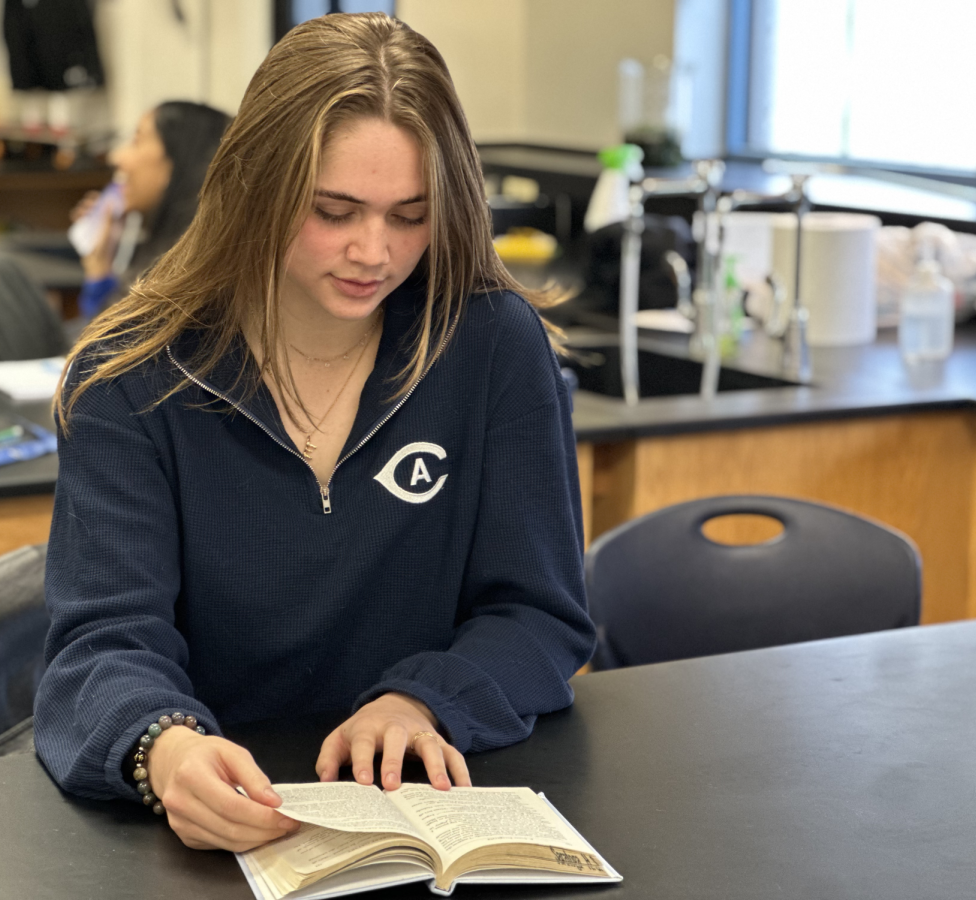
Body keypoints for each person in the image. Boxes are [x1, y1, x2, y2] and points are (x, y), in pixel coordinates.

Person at [34, 12, 595, 853]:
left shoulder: (492, 345)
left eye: (410, 216)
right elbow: (101, 642)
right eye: (333, 211)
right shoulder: (130, 377)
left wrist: (425, 700)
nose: (373, 251)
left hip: (418, 817)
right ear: (255, 187)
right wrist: (163, 746)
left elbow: (539, 613)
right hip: (216, 829)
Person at [0, 100, 231, 362]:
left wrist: (99, 273)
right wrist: (100, 261)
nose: (118, 157)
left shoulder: (191, 270)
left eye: (136, 141)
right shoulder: (160, 246)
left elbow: (109, 350)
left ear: (177, 162)